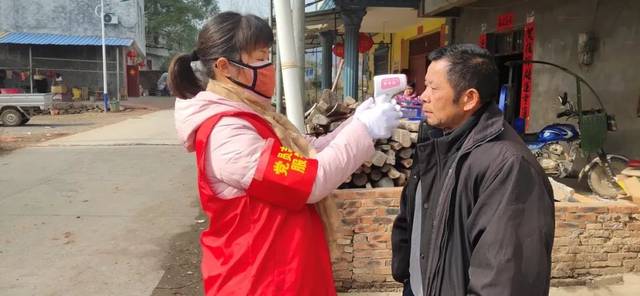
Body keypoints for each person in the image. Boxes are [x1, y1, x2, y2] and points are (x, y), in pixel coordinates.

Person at [170, 12, 402, 296]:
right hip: (259, 282)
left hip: (284, 274)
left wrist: (356, 123)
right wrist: (364, 131)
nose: (270, 65)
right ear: (224, 67)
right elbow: (309, 181)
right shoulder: (227, 133)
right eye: (260, 57)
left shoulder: (254, 116)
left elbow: (305, 152)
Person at [390, 44, 555, 296]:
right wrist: (407, 274)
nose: (423, 96)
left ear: (469, 98)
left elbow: (504, 278)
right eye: (425, 85)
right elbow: (413, 216)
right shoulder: (437, 144)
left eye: (434, 88)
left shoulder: (507, 166)